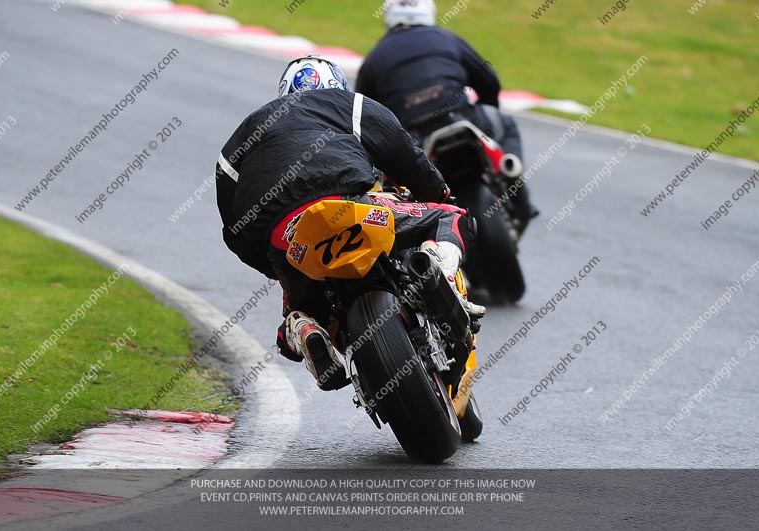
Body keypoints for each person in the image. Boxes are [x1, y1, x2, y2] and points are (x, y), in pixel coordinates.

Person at [215, 55, 485, 391]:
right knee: (450, 216)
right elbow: (403, 152)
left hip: (287, 237)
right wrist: (438, 193)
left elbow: (234, 229)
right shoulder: (349, 103)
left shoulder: (240, 137)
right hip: (350, 205)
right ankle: (437, 272)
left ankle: (305, 329)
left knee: (299, 311)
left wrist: (276, 264)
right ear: (337, 86)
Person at [356, 0, 538, 234]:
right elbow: (489, 83)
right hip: (462, 118)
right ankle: (518, 194)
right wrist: (485, 116)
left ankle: (420, 238)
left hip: (413, 138)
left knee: (398, 188)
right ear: (428, 11)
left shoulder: (373, 59)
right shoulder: (447, 38)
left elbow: (365, 118)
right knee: (505, 123)